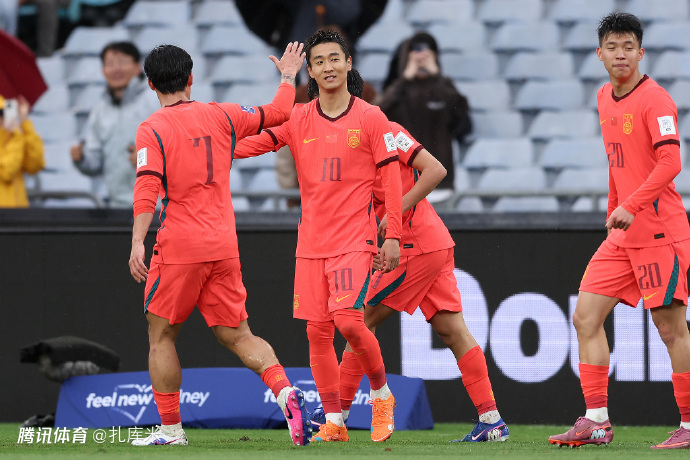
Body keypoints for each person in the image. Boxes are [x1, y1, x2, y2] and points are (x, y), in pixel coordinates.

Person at [128, 42, 311, 447]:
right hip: (224, 245)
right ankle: (284, 390)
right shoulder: (223, 115)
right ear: (191, 78)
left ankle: (171, 431)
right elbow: (278, 113)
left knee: (161, 338)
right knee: (239, 335)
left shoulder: (152, 128)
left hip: (179, 247)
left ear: (150, 84)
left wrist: (138, 240)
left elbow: (146, 187)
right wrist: (287, 76)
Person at [234, 29, 403, 443]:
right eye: (319, 61)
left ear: (348, 63)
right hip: (311, 243)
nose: (328, 67)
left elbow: (392, 179)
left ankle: (381, 395)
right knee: (316, 332)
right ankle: (335, 422)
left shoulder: (371, 117)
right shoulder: (297, 118)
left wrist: (393, 235)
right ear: (309, 71)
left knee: (348, 321)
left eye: (334, 59)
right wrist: (202, 140)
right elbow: (246, 145)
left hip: (355, 238)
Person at [307, 121, 508, 442]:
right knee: (452, 331)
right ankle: (492, 420)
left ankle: (336, 416)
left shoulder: (386, 132)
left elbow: (436, 170)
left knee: (358, 318)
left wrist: (396, 210)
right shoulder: (342, 146)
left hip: (414, 246)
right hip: (431, 243)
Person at [548, 12, 690, 449]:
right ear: (600, 54)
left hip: (660, 232)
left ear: (641, 52)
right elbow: (617, 159)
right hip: (624, 234)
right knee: (585, 317)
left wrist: (630, 205)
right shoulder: (603, 97)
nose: (621, 54)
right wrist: (615, 207)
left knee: (670, 329)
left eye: (628, 47)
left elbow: (671, 162)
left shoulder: (656, 101)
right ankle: (597, 422)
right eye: (612, 47)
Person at [377, 32, 471, 198]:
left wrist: (437, 77)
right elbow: (378, 117)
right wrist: (405, 78)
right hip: (406, 185)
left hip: (440, 185)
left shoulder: (443, 87)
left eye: (427, 55)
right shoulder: (399, 91)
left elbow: (463, 120)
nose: (421, 60)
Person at [71, 41, 159, 208]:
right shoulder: (99, 112)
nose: (116, 69)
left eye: (122, 62)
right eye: (110, 63)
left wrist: (150, 161)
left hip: (159, 207)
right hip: (118, 207)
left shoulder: (156, 101)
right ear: (103, 70)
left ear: (137, 67)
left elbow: (179, 150)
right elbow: (95, 163)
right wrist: (81, 158)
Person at [0, 94, 45, 207]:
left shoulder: (13, 137)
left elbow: (35, 165)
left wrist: (25, 122)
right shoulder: (15, 138)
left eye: (4, 113)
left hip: (18, 211)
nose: (3, 118)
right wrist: (16, 137)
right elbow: (6, 172)